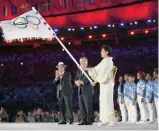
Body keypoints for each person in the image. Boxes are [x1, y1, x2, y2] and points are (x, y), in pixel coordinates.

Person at [86, 45, 116, 126]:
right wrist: (86, 69)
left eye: (102, 51)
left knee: (108, 101)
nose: (101, 53)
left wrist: (96, 81)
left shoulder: (109, 61)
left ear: (107, 52)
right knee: (103, 101)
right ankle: (104, 119)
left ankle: (112, 120)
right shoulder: (103, 61)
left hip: (108, 84)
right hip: (103, 84)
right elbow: (96, 69)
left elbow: (105, 74)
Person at [75, 57, 93, 125]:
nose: (82, 62)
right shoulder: (79, 71)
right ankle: (83, 120)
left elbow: (90, 78)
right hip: (80, 91)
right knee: (81, 107)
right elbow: (76, 78)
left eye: (84, 61)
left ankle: (89, 120)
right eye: (81, 61)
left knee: (88, 106)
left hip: (87, 91)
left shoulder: (90, 69)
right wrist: (76, 82)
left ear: (87, 62)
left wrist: (82, 82)